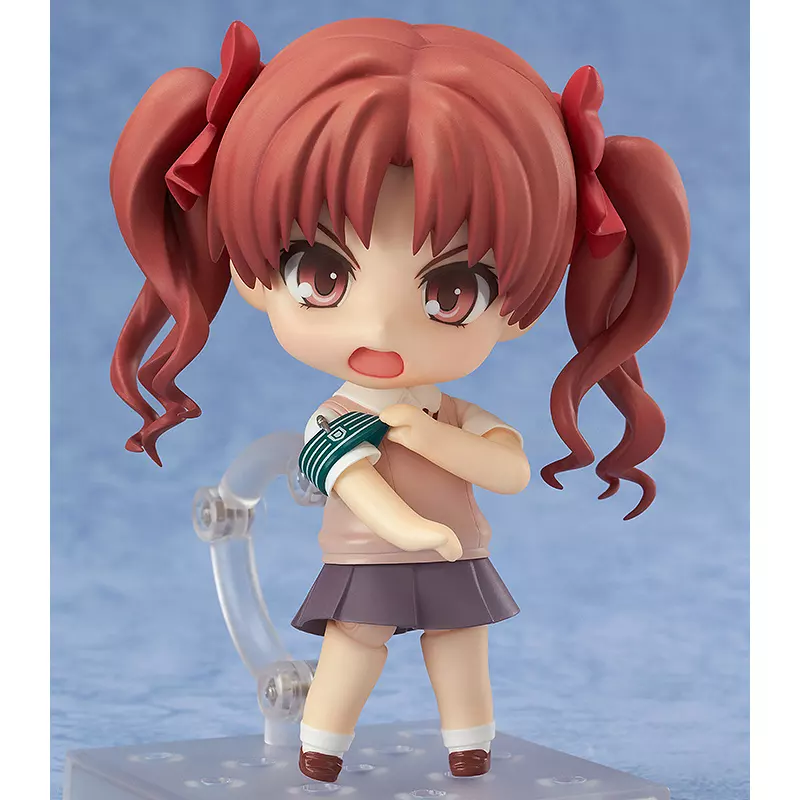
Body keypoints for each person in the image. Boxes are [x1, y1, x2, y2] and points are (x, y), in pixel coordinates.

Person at [109, 18, 690, 783]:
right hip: (376, 552)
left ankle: (470, 744)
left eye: (452, 291)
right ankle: (321, 746)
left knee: (461, 642)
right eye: (322, 275)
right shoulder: (337, 418)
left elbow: (509, 470)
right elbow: (352, 481)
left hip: (458, 549)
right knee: (355, 640)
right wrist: (414, 529)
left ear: (520, 311)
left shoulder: (442, 413)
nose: (380, 330)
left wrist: (425, 434)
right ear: (252, 277)